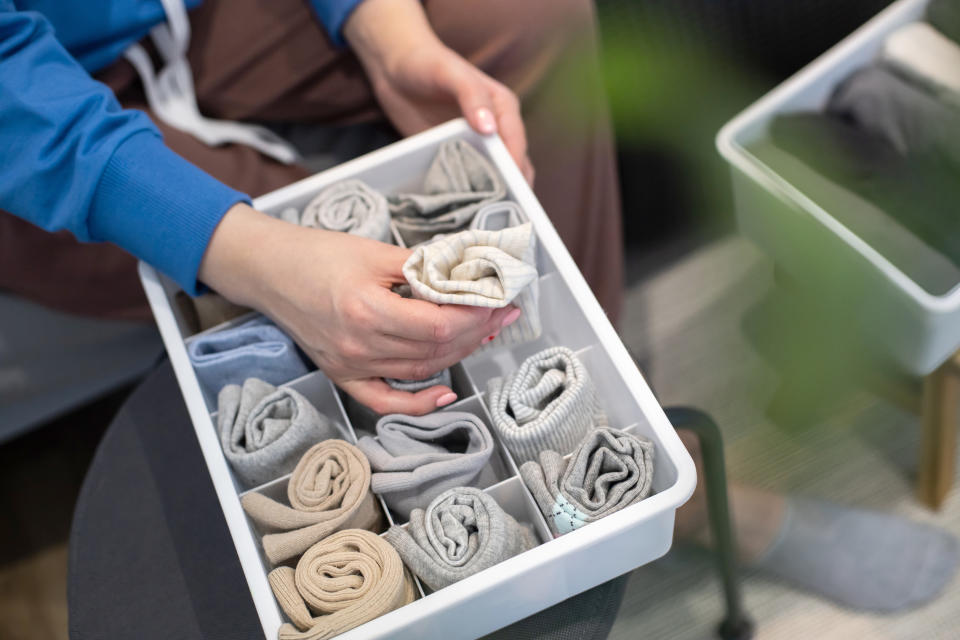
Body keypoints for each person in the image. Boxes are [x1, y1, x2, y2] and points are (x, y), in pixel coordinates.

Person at [1, 0, 955, 619]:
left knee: (531, 20)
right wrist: (263, 253)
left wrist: (387, 34)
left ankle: (600, 435)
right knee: (311, 251)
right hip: (39, 97)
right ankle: (683, 497)